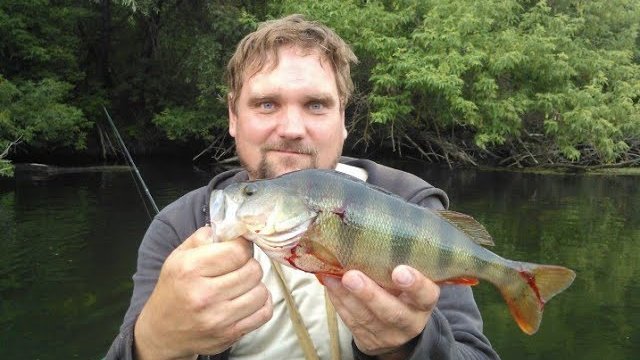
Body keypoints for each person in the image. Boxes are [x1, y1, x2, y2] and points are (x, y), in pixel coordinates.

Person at [106, 14, 499, 360]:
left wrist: (411, 346)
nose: (292, 129)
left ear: (343, 118)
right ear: (232, 116)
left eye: (315, 104)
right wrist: (153, 343)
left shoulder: (412, 207)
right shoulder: (179, 227)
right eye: (266, 104)